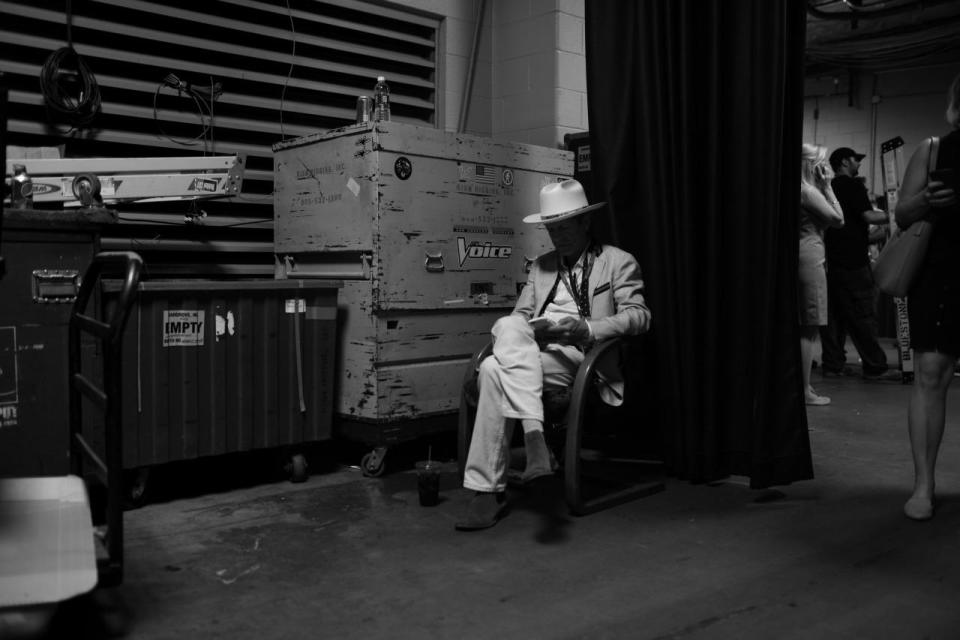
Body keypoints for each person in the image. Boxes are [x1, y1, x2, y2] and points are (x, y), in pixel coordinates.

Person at [456, 179, 652, 531]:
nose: (558, 236)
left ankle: (488, 490)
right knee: (507, 326)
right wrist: (531, 328)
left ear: (585, 223)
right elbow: (520, 316)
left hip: (582, 357)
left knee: (490, 369)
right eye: (551, 229)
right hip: (533, 353)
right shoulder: (541, 266)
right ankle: (535, 439)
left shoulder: (617, 262)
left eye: (564, 227)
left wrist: (587, 329)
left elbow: (640, 316)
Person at [894, 72, 960, 521]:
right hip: (941, 272)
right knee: (930, 373)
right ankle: (923, 486)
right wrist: (930, 200)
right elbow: (902, 213)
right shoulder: (933, 148)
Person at [820, 147, 898, 380]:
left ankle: (833, 365)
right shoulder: (853, 185)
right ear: (845, 162)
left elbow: (849, 224)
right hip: (854, 262)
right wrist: (896, 214)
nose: (859, 164)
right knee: (863, 314)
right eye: (856, 160)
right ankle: (875, 366)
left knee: (835, 317)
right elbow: (868, 216)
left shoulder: (829, 187)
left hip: (833, 261)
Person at [799, 144, 845, 406]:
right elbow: (839, 220)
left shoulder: (803, 190)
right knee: (809, 326)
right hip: (810, 257)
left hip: (806, 254)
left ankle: (803, 386)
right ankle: (804, 389)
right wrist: (828, 186)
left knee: (806, 325)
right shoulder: (809, 192)